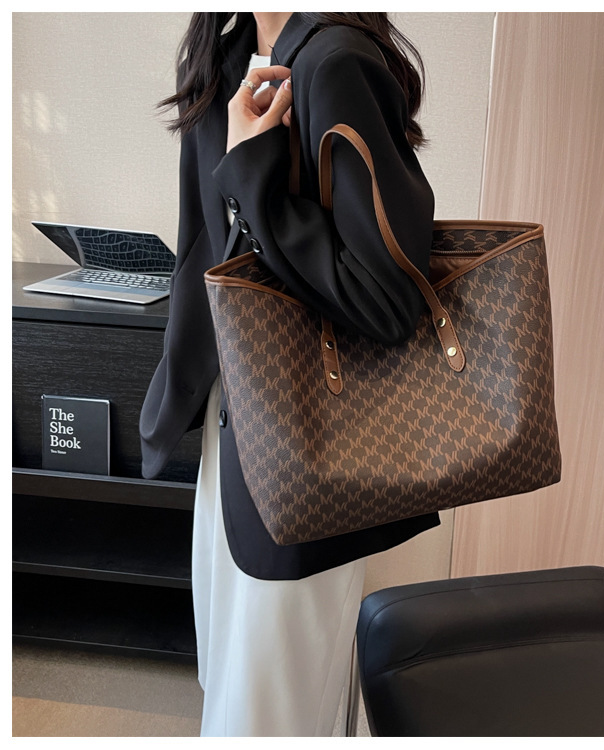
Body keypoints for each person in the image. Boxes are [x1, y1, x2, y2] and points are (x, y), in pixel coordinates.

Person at [139, 12, 439, 736]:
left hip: (308, 436)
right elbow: (205, 246)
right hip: (235, 419)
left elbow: (387, 298)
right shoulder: (225, 59)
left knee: (267, 715)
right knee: (230, 688)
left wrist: (256, 172)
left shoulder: (337, 63)